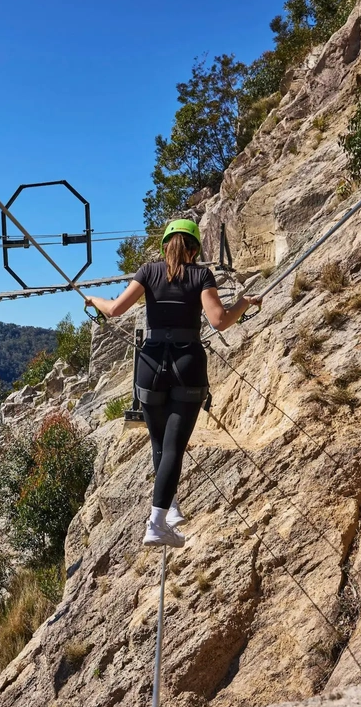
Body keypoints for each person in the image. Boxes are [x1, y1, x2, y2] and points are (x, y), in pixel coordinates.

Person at [84, 219, 262, 548]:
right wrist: (244, 303)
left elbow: (116, 309)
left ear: (165, 245)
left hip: (150, 366)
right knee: (175, 446)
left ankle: (172, 506)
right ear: (195, 249)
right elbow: (219, 321)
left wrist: (94, 300)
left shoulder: (148, 272)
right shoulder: (200, 275)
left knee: (159, 443)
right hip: (187, 365)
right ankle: (157, 521)